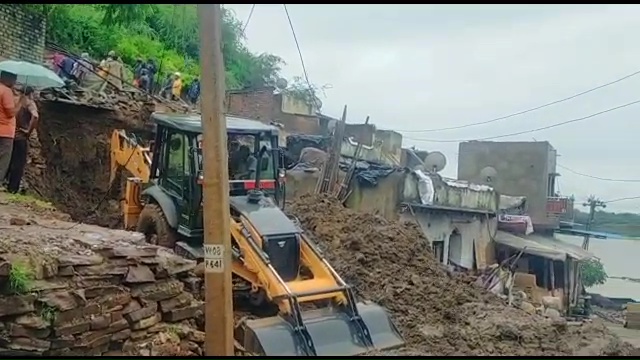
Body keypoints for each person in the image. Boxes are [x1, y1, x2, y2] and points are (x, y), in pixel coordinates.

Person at [6, 86, 37, 194]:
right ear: (30, 93)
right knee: (18, 163)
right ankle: (13, 188)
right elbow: (35, 116)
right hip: (21, 137)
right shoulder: (29, 103)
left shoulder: (14, 101)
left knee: (7, 161)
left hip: (9, 135)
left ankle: (4, 181)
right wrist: (28, 131)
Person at [0, 71, 18, 183]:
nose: (15, 82)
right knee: (3, 160)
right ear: (8, 79)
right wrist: (20, 103)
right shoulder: (6, 91)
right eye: (14, 79)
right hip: (5, 131)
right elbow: (10, 113)